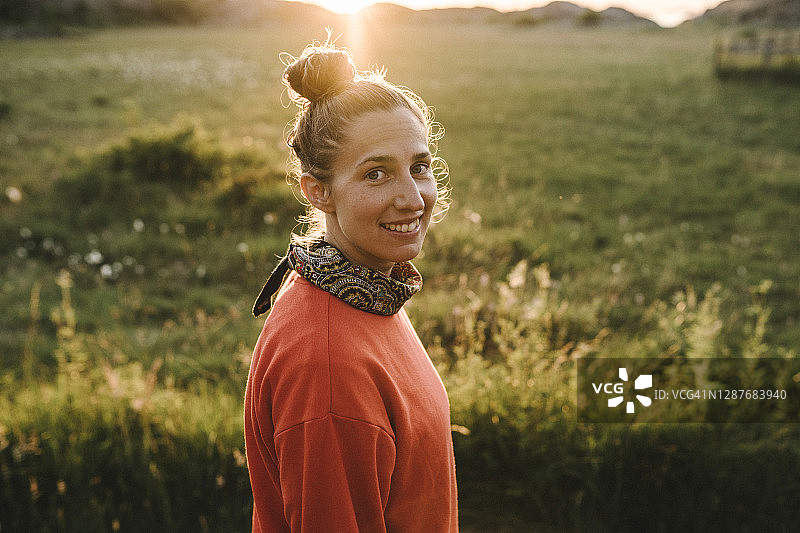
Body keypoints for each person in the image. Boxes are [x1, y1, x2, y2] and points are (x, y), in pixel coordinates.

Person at [244, 36, 458, 532]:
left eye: (419, 167)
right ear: (319, 191)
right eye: (377, 174)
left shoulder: (366, 291)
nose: (413, 198)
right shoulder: (328, 366)